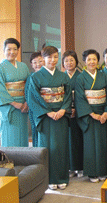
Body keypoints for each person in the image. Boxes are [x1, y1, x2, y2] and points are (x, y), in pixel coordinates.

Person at [28, 46, 72, 190]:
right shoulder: (35, 77)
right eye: (49, 57)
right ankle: (49, 179)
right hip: (46, 117)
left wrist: (63, 109)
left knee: (61, 146)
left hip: (60, 115)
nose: (52, 60)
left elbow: (67, 95)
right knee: (48, 147)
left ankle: (62, 177)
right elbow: (33, 97)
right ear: (43, 58)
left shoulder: (63, 76)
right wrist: (47, 111)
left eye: (55, 57)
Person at [75, 49, 107, 183]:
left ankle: (103, 171)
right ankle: (92, 173)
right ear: (84, 62)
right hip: (89, 115)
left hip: (103, 113)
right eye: (89, 59)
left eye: (94, 59)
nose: (92, 62)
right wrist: (92, 113)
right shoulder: (80, 78)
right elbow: (80, 98)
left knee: (102, 143)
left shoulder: (103, 76)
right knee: (90, 144)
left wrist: (106, 112)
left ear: (98, 61)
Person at [0, 38, 30, 147]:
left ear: (18, 50)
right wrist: (14, 103)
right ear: (4, 50)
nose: (12, 52)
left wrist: (26, 102)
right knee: (10, 135)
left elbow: (28, 85)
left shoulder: (23, 66)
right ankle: (9, 160)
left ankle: (23, 160)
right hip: (9, 107)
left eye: (15, 49)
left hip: (23, 106)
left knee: (22, 134)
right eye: (9, 49)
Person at [62, 50, 84, 178]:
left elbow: (83, 96)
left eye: (71, 60)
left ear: (76, 61)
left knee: (78, 139)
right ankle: (70, 167)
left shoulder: (80, 76)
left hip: (78, 111)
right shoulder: (61, 76)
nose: (69, 63)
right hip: (64, 112)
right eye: (66, 61)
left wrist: (76, 108)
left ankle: (79, 166)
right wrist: (67, 109)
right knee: (67, 140)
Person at [26, 51, 44, 147]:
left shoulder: (48, 75)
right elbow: (28, 96)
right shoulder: (31, 77)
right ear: (31, 65)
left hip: (48, 109)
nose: (38, 64)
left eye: (40, 61)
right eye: (35, 62)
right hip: (35, 110)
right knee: (36, 130)